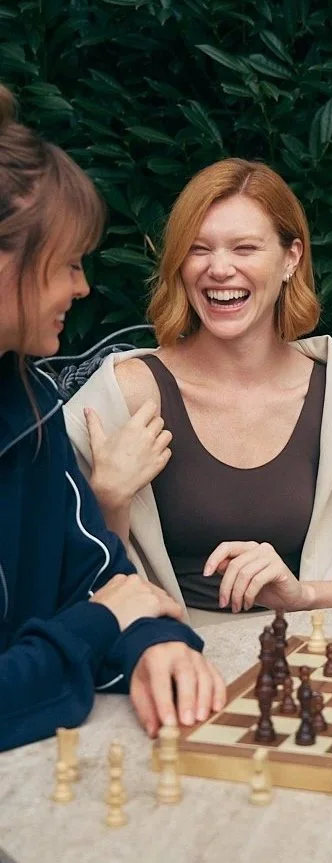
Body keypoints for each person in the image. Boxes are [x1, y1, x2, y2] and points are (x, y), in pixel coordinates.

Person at [64, 159, 332, 624]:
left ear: (291, 258)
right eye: (198, 249)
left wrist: (300, 593)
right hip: (160, 654)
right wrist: (108, 497)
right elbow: (64, 573)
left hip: (301, 651)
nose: (219, 269)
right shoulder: (126, 394)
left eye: (245, 248)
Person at [0, 86, 225, 751]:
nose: (81, 287)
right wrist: (100, 624)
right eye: (68, 263)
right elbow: (102, 606)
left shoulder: (30, 407)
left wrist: (156, 642)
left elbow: (97, 570)